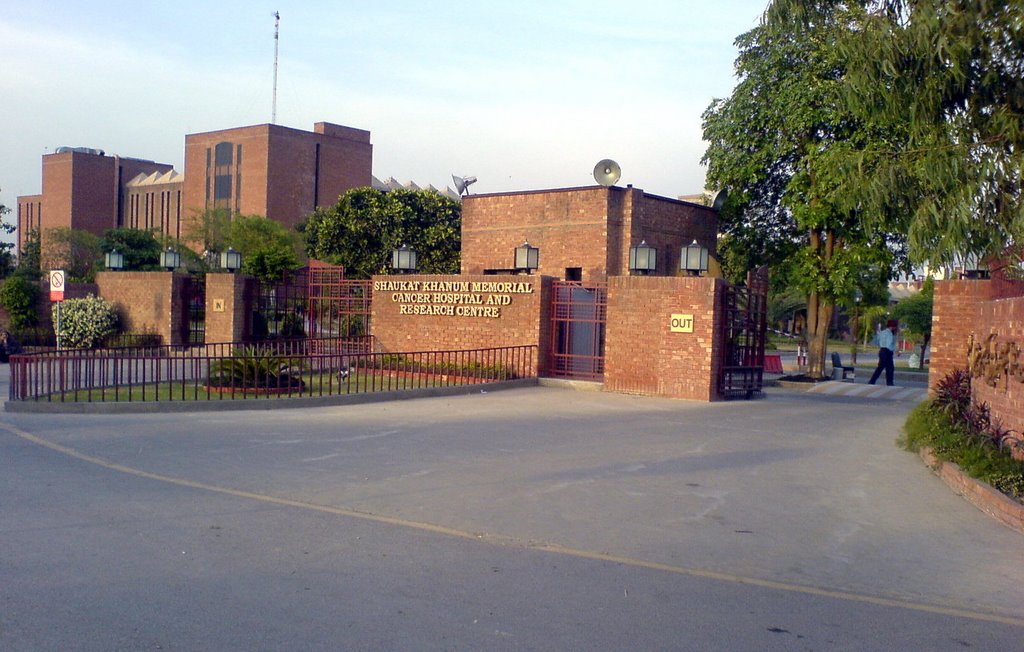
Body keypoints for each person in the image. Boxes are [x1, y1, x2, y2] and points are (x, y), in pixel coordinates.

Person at [869, 319, 899, 386]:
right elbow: (889, 345)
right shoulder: (889, 334)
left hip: (881, 351)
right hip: (887, 352)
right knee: (890, 368)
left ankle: (872, 381)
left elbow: (876, 341)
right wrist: (896, 351)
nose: (895, 328)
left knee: (880, 367)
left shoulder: (882, 332)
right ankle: (889, 383)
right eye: (895, 327)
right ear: (892, 326)